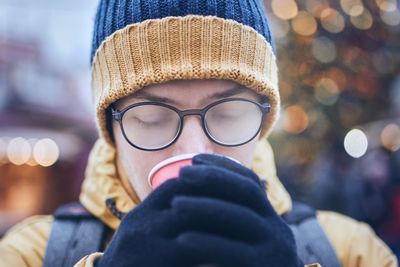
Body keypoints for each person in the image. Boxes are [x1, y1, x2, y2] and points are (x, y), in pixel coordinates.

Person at [0, 0, 397, 266]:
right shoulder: (31, 254)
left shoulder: (349, 251)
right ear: (110, 126)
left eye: (227, 113)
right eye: (152, 116)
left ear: (265, 120)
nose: (193, 150)